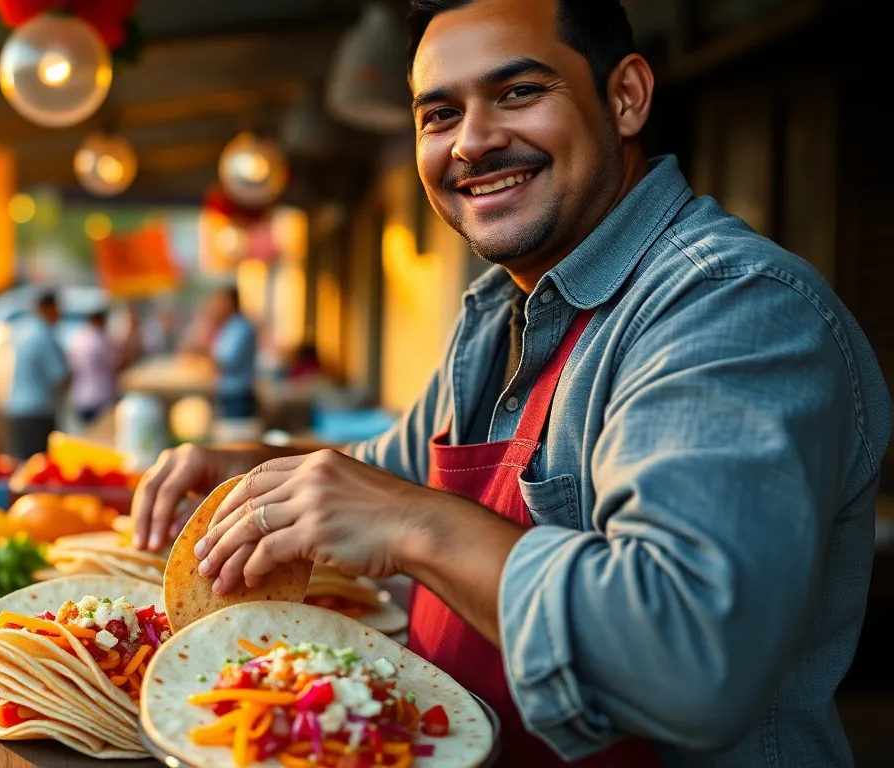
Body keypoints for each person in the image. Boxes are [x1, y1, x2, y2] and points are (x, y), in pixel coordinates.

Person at [130, 1, 891, 765]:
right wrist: (258, 467)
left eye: (520, 92)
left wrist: (414, 524)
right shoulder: (504, 314)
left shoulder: (732, 309)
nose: (473, 141)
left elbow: (688, 663)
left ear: (625, 97)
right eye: (439, 114)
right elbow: (389, 468)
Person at [5, 290, 68, 459]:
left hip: (17, 409)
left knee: (24, 464)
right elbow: (60, 376)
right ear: (48, 308)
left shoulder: (21, 331)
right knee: (39, 467)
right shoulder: (44, 335)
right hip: (38, 412)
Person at [208, 286, 257, 420]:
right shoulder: (229, 326)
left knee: (236, 435)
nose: (217, 306)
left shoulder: (240, 327)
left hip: (237, 393)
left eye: (221, 301)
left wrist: (204, 353)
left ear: (231, 302)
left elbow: (227, 360)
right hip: (230, 391)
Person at [66, 307, 118, 427]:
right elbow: (114, 364)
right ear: (99, 319)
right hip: (101, 398)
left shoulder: (77, 339)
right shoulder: (100, 340)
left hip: (81, 397)